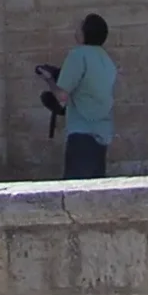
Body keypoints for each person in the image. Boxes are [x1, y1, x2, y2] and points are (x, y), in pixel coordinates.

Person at [48, 13, 117, 179]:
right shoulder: (107, 60)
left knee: (75, 193)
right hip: (102, 136)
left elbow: (61, 96)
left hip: (81, 135)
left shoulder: (78, 55)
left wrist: (49, 80)